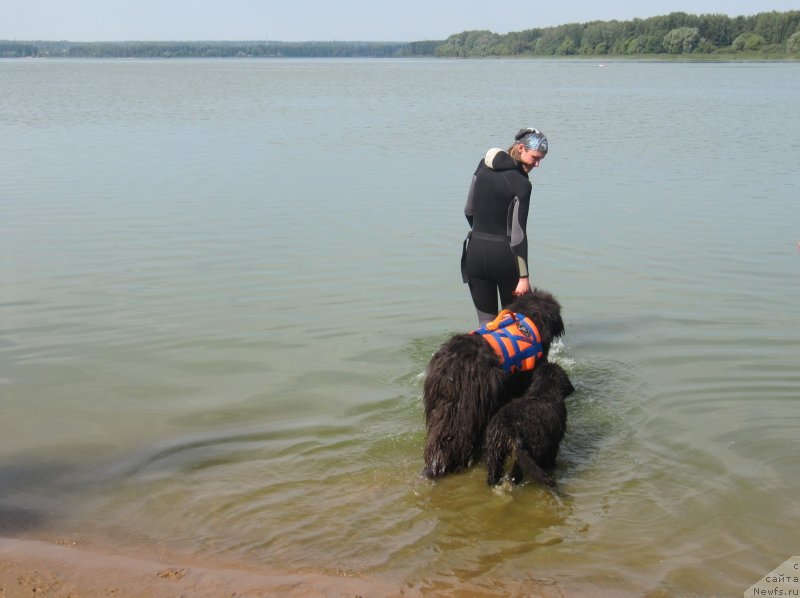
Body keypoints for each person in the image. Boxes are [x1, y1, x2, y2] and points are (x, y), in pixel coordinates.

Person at [461, 127, 548, 325]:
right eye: (535, 158)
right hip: (504, 258)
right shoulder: (522, 184)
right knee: (516, 324)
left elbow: (468, 210)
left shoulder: (482, 166)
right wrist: (524, 277)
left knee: (486, 326)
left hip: (474, 253)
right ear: (521, 148)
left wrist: (482, 233)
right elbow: (518, 235)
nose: (537, 164)